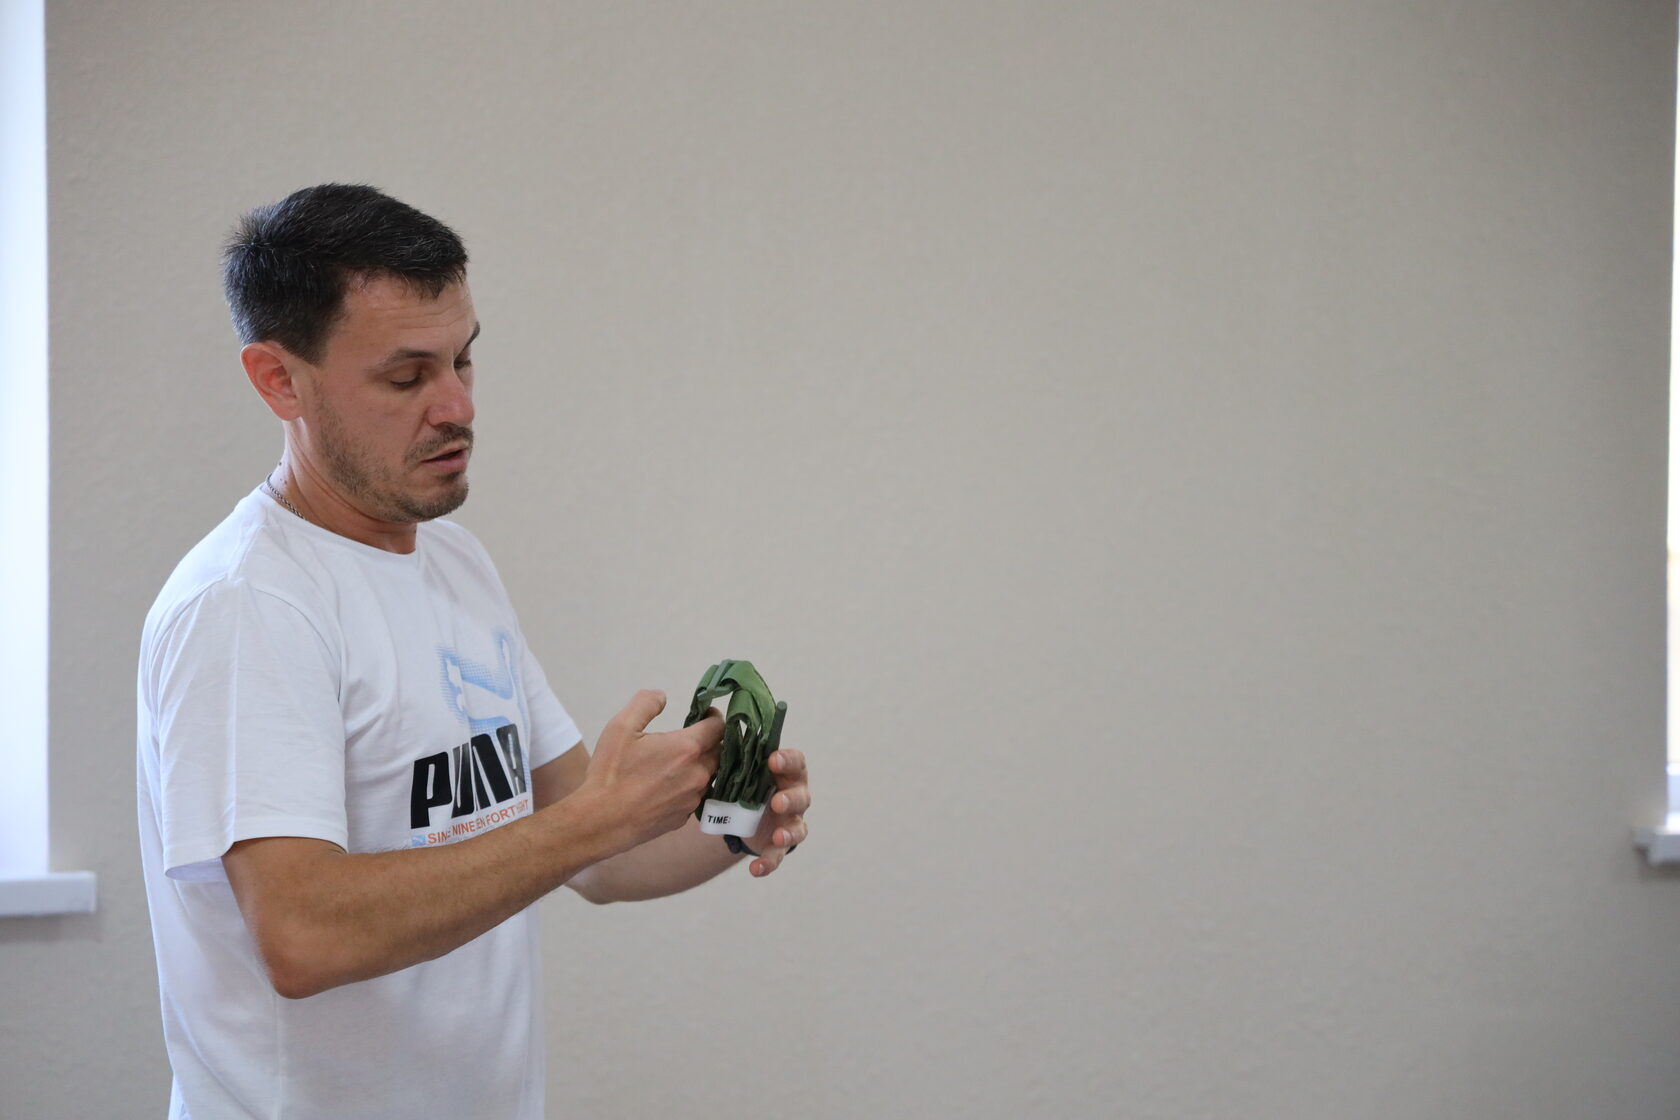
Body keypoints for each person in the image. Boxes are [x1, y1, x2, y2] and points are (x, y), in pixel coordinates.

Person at [135, 183, 811, 1120]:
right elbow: (302, 935)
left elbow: (595, 859)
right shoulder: (248, 606)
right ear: (279, 379)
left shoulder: (454, 562)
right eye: (406, 377)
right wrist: (594, 824)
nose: (456, 405)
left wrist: (731, 818)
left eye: (462, 359)